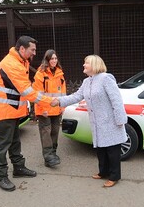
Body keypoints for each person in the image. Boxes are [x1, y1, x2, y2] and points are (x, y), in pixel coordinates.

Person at [0, 35, 57, 192]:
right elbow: (28, 92)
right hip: (3, 112)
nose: (34, 53)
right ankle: (0, 177)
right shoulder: (12, 65)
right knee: (1, 145)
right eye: (32, 50)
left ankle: (18, 168)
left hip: (11, 111)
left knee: (14, 141)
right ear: (22, 49)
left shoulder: (21, 61)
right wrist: (49, 101)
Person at [54, 55, 127, 187]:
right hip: (97, 123)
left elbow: (116, 100)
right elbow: (76, 96)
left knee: (112, 150)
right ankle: (103, 172)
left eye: (86, 63)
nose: (83, 65)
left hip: (110, 121)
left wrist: (120, 119)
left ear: (94, 65)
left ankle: (114, 176)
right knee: (100, 149)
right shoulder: (87, 82)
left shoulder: (106, 78)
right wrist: (59, 101)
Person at [32, 49, 67, 167]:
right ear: (47, 60)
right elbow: (38, 94)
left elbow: (63, 92)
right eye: (52, 58)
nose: (54, 61)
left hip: (56, 109)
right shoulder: (40, 74)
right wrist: (42, 110)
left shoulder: (59, 73)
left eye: (56, 58)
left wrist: (62, 106)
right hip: (45, 110)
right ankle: (48, 157)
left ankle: (53, 153)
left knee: (55, 131)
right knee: (46, 133)